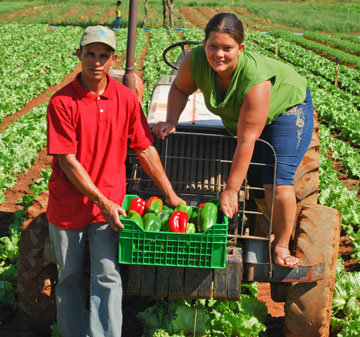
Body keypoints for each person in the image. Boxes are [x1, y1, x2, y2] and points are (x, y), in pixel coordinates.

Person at [46, 25, 184, 337]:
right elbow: (68, 161)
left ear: (113, 59)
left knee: (107, 275)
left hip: (109, 205)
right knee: (68, 277)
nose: (96, 61)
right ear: (79, 55)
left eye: (103, 55)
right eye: (90, 53)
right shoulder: (62, 102)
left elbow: (145, 149)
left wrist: (170, 194)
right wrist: (102, 201)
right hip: (70, 206)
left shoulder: (125, 99)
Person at [153, 13, 315, 268]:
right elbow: (180, 88)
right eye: (212, 46)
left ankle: (282, 243)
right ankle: (264, 223)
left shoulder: (255, 80)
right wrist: (171, 120)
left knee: (277, 179)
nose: (219, 54)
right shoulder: (195, 60)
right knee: (258, 184)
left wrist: (230, 190)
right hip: (246, 117)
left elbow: (246, 140)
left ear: (240, 48)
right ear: (203, 44)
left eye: (227, 48)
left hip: (286, 108)